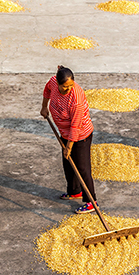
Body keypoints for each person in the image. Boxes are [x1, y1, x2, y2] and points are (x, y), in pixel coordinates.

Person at [40, 65, 97, 213]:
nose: (68, 89)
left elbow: (76, 126)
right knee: (67, 164)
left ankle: (91, 201)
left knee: (82, 168)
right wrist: (44, 107)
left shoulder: (76, 98)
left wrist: (69, 147)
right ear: (58, 83)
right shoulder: (53, 82)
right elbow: (47, 91)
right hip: (64, 133)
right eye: (65, 86)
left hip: (80, 135)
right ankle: (74, 192)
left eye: (71, 85)